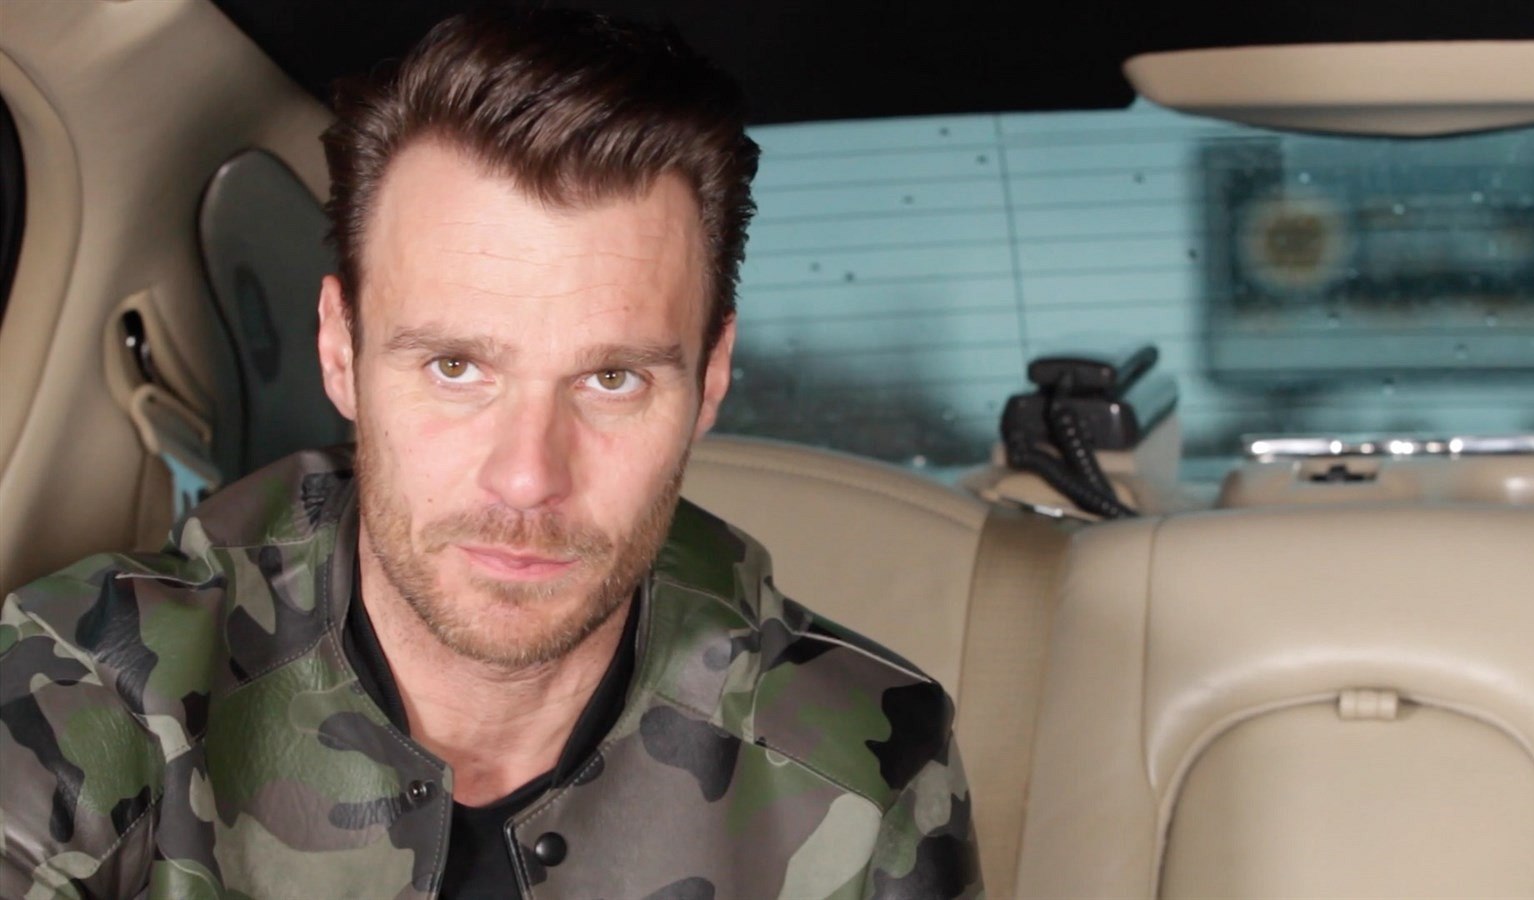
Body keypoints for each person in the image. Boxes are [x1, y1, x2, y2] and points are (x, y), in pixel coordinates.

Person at [0, 7, 980, 899]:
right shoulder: (91, 679)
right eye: (456, 367)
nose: (526, 477)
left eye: (612, 379)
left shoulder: (868, 761)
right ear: (341, 353)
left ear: (710, 380)